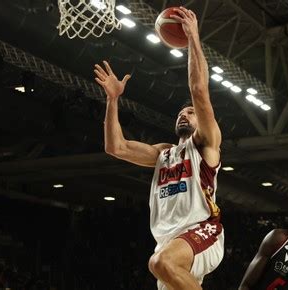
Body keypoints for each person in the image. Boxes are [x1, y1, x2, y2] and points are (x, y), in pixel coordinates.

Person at [93, 6, 223, 290]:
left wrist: (193, 39)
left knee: (158, 263)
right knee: (161, 264)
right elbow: (116, 147)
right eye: (180, 112)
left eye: (190, 112)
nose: (183, 114)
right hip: (169, 241)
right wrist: (113, 99)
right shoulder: (164, 154)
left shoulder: (205, 145)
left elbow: (199, 91)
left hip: (202, 231)